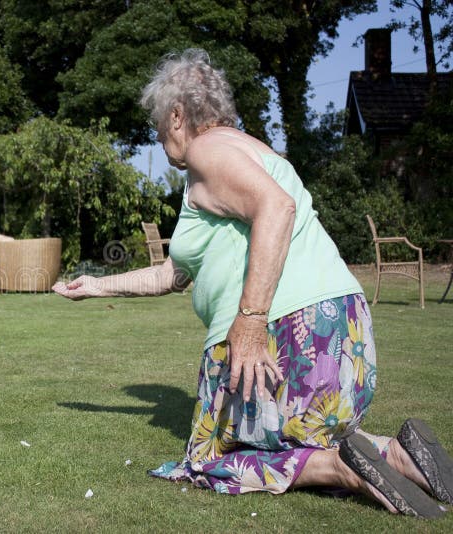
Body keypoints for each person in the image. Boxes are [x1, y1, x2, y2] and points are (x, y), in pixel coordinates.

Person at [53, 49, 451, 518]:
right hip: (344, 332)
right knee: (299, 434)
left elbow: (276, 208)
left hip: (285, 331)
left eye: (159, 128)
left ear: (178, 115)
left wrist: (250, 321)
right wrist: (96, 286)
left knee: (207, 461)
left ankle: (340, 468)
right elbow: (172, 275)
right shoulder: (250, 152)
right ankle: (401, 456)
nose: (160, 141)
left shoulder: (207, 151)